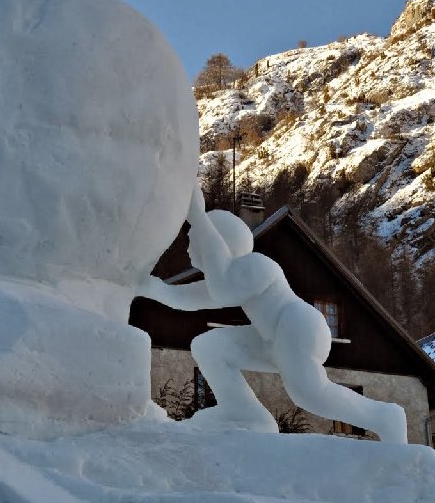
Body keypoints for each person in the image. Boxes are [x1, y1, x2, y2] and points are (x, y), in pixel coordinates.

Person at [139, 186, 407, 443]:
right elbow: (184, 298)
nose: (188, 248)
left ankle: (385, 417)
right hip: (272, 338)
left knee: (310, 394)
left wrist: (199, 218)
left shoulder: (255, 265)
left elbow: (221, 290)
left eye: (193, 239)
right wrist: (143, 285)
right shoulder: (230, 278)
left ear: (217, 241)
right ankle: (243, 412)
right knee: (209, 347)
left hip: (296, 327)